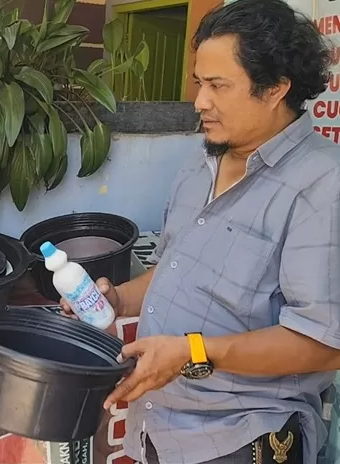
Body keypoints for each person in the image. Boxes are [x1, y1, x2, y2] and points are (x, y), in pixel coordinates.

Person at [64, 1, 337, 463]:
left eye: (218, 86)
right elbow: (176, 266)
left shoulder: (322, 186)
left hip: (242, 438)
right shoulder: (201, 164)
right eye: (199, 83)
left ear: (275, 89)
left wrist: (193, 352)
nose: (199, 102)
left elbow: (324, 343)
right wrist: (118, 300)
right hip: (159, 427)